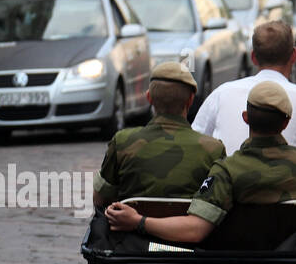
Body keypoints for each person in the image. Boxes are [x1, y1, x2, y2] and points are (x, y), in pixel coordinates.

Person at [105, 81, 296, 244]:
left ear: (246, 118)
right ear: (286, 123)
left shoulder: (226, 171)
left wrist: (139, 221)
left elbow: (195, 230)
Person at [192, 21, 296, 181]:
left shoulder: (221, 93)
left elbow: (196, 144)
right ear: (294, 55)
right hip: (286, 196)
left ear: (253, 57)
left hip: (229, 194)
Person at [92, 62, 226, 208]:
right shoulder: (213, 149)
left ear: (149, 98)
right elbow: (219, 204)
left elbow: (100, 199)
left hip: (128, 229)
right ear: (190, 100)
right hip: (189, 229)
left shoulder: (122, 142)